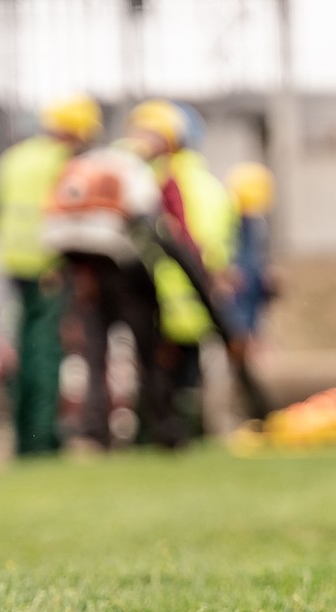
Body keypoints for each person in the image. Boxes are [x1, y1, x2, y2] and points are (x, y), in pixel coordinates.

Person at [44, 135, 248, 451]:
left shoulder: (88, 169)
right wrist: (221, 321)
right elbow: (164, 241)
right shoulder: (133, 175)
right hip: (121, 270)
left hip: (85, 270)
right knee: (147, 352)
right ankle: (165, 432)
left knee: (96, 356)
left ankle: (96, 434)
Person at [0, 93, 102, 456]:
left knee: (23, 350)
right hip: (48, 269)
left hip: (12, 265)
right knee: (45, 352)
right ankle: (42, 439)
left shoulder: (15, 156)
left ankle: (22, 439)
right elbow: (73, 218)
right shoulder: (64, 162)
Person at [149, 102, 245, 436]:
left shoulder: (161, 181)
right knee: (195, 368)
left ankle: (175, 430)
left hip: (165, 291)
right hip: (200, 291)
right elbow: (223, 242)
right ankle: (195, 429)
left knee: (167, 369)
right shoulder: (212, 186)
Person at [227, 162, 280, 340]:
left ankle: (251, 340)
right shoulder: (234, 221)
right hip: (242, 283)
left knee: (252, 318)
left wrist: (267, 269)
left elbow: (261, 252)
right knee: (239, 321)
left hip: (253, 281)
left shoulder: (259, 222)